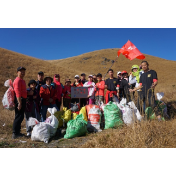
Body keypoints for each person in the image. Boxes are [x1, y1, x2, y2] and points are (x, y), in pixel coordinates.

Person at [12, 67, 27, 139]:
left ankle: (18, 132)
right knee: (18, 116)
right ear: (17, 72)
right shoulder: (17, 80)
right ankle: (14, 133)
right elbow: (17, 92)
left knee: (21, 116)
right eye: (21, 71)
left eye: (23, 71)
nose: (23, 72)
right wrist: (19, 103)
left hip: (22, 99)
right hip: (19, 99)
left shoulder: (22, 80)